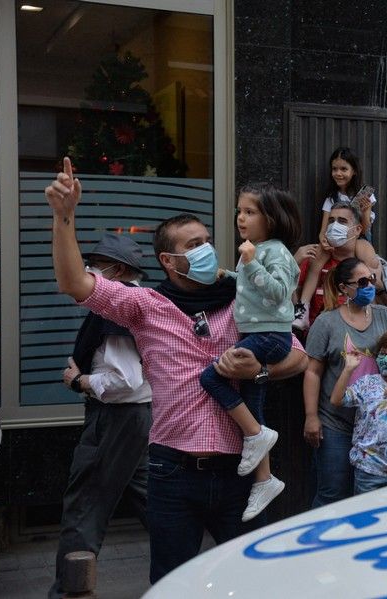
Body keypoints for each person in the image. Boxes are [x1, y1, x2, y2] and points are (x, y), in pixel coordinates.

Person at [45, 157, 309, 584]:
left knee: (251, 585)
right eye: (192, 245)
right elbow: (76, 283)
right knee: (171, 583)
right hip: (172, 472)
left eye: (207, 239)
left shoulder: (244, 299)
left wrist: (259, 366)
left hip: (240, 471)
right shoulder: (145, 305)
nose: (206, 249)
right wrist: (64, 217)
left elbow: (297, 356)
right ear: (169, 260)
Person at [49, 233, 153, 599]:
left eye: (97, 265)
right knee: (154, 501)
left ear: (119, 271)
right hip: (136, 419)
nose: (90, 270)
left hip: (116, 419)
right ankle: (191, 564)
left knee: (85, 507)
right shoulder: (136, 302)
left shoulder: (119, 311)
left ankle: (68, 591)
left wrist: (80, 381)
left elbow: (126, 381)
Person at [199, 183, 300, 521]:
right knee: (252, 402)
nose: (241, 218)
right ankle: (265, 480)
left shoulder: (275, 252)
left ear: (271, 217)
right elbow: (248, 289)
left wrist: (251, 264)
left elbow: (279, 294)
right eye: (239, 211)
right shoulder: (255, 250)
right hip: (257, 334)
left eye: (250, 212)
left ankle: (256, 435)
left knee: (211, 377)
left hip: (270, 336)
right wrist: (227, 275)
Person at [303, 258, 387, 506]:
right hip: (335, 423)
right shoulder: (326, 322)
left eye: (371, 279)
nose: (369, 285)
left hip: (377, 427)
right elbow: (313, 372)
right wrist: (311, 416)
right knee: (332, 494)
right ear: (344, 288)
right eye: (361, 282)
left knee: (374, 499)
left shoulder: (386, 317)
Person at [294, 148, 379, 330]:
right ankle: (302, 309)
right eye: (335, 169)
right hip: (333, 242)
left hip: (359, 239)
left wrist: (365, 211)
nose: (338, 173)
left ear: (354, 170)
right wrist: (324, 241)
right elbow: (323, 229)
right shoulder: (331, 198)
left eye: (343, 169)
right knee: (316, 264)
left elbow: (365, 229)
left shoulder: (365, 195)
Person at [330, 331, 387, 493]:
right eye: (383, 353)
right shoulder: (366, 383)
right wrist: (348, 369)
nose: (386, 358)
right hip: (367, 470)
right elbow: (336, 399)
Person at [294, 201, 383, 330]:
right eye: (331, 221)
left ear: (358, 229)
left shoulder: (363, 250)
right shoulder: (314, 256)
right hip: (319, 332)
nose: (334, 226)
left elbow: (378, 285)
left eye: (342, 221)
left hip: (360, 332)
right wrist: (293, 261)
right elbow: (287, 292)